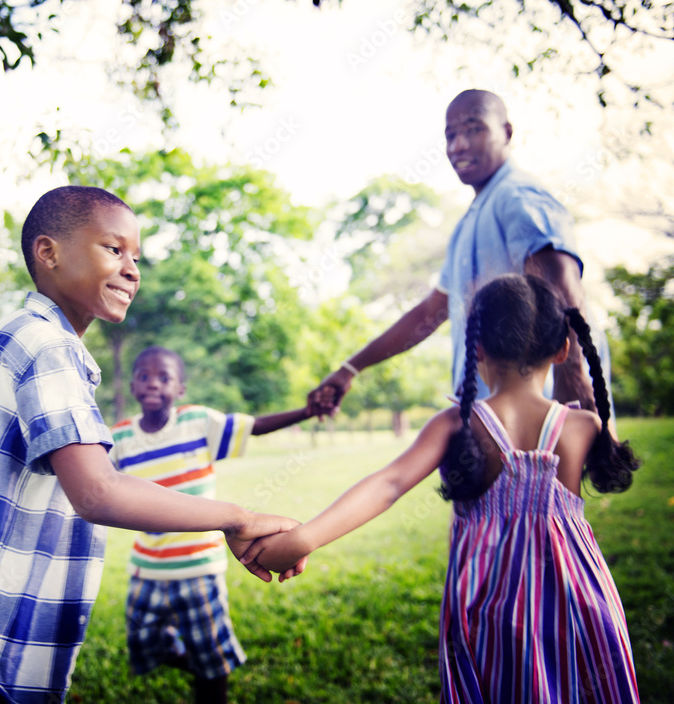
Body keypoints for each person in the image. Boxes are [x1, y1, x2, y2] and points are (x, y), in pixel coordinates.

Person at [0, 185, 305, 704]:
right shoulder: (49, 348)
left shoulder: (9, 337)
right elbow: (97, 492)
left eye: (137, 257)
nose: (133, 269)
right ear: (49, 252)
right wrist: (236, 518)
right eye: (114, 250)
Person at [244, 273, 641, 703]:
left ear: (476, 347)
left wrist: (305, 537)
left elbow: (389, 484)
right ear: (564, 348)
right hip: (580, 600)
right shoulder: (584, 426)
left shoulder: (458, 423)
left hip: (491, 607)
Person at [311, 89, 611, 421]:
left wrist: (576, 384)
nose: (458, 145)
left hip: (541, 418)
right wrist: (351, 368)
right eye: (450, 135)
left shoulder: (517, 196)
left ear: (507, 133)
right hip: (491, 420)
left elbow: (562, 286)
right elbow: (430, 311)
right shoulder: (469, 222)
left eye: (474, 129)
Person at [109, 345, 311, 704]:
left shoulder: (197, 422)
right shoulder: (119, 438)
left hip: (199, 567)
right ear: (132, 386)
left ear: (180, 389)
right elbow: (91, 478)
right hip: (147, 569)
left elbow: (256, 427)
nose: (153, 383)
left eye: (164, 377)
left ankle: (210, 681)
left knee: (212, 660)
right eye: (143, 376)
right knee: (145, 644)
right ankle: (200, 669)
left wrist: (308, 410)